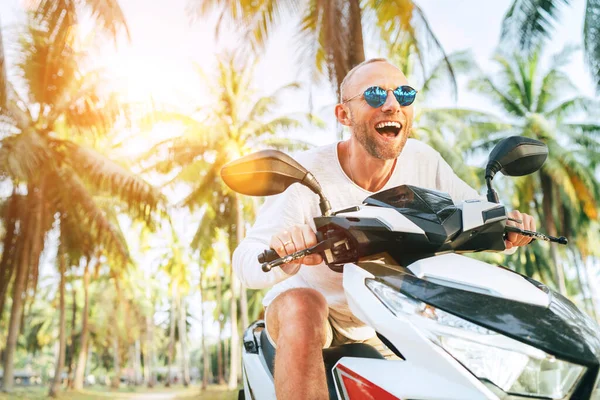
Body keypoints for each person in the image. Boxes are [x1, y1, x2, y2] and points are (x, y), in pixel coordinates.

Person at [232, 58, 535, 399]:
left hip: (390, 314)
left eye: (404, 94)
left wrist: (510, 229)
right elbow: (245, 262)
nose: (392, 104)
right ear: (343, 115)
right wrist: (283, 253)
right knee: (303, 304)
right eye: (375, 94)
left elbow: (478, 216)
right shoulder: (306, 172)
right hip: (321, 314)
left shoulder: (424, 160)